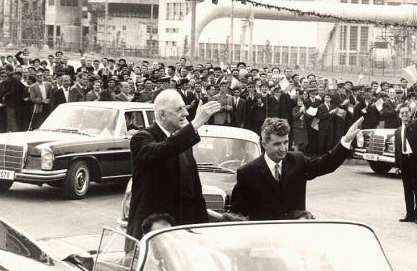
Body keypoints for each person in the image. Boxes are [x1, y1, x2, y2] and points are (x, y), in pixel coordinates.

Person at [126, 91, 222, 240]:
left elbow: (195, 192)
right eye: (179, 109)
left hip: (183, 233)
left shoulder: (184, 143)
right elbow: (164, 150)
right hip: (152, 233)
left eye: (185, 108)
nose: (185, 113)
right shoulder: (142, 138)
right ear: (162, 114)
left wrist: (204, 231)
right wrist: (195, 124)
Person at [229, 116, 363, 221]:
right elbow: (237, 214)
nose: (283, 148)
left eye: (286, 142)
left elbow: (326, 164)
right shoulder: (247, 173)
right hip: (263, 242)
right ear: (264, 144)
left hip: (294, 237)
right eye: (277, 144)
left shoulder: (298, 161)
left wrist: (345, 141)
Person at [395, 104, 417, 224]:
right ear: (399, 115)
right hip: (404, 161)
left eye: (406, 112)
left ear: (411, 114)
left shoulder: (415, 125)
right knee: (407, 189)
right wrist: (397, 165)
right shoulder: (397, 131)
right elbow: (397, 149)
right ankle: (409, 214)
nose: (404, 114)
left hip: (414, 160)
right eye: (402, 113)